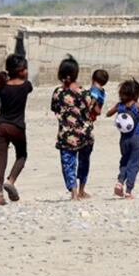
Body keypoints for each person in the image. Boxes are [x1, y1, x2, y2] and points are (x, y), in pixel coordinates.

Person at [0, 54, 32, 205]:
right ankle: (11, 181)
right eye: (25, 68)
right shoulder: (26, 86)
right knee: (22, 155)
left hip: (1, 126)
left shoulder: (1, 86)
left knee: (1, 160)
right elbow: (26, 86)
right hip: (17, 126)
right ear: (20, 70)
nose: (27, 71)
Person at [50, 55, 95, 201]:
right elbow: (92, 111)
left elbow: (55, 109)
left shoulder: (58, 93)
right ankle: (82, 190)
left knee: (68, 163)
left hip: (66, 134)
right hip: (85, 134)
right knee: (84, 162)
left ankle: (74, 192)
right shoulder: (85, 93)